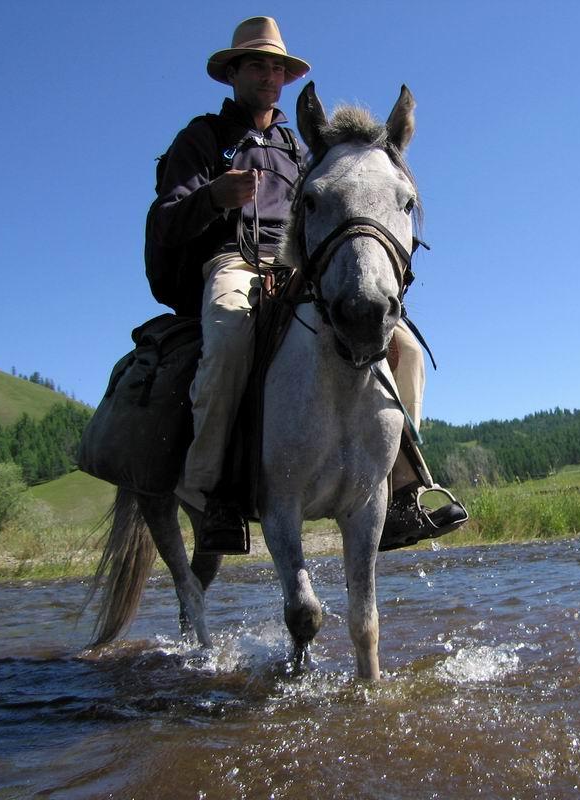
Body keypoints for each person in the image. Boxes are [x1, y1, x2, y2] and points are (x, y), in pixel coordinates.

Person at [147, 16, 466, 554]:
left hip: (301, 266)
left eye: (277, 67)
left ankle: (401, 487)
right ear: (233, 73)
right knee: (227, 338)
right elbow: (165, 219)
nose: (268, 76)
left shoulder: (301, 151)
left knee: (406, 348)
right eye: (256, 65)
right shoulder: (202, 139)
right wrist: (213, 199)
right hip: (233, 262)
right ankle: (213, 492)